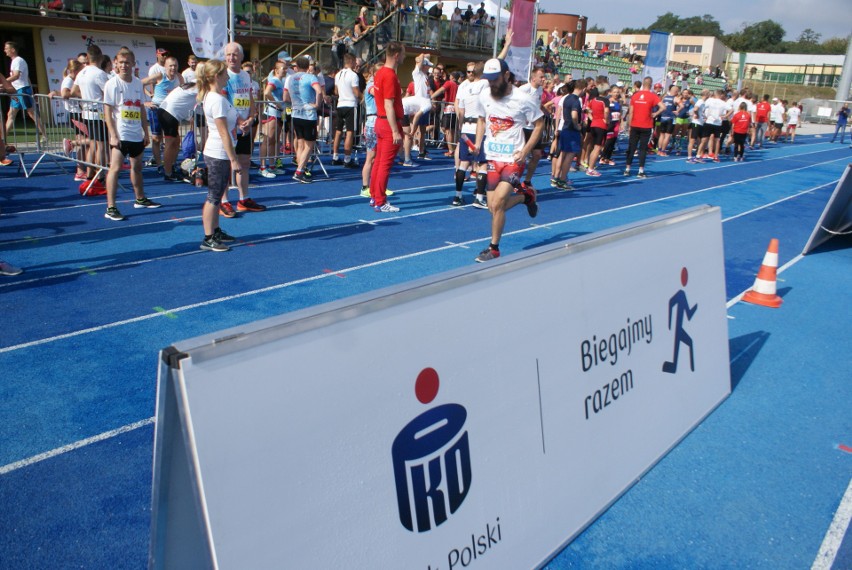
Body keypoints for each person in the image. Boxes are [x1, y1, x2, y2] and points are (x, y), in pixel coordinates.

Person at [473, 58, 543, 262]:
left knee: (500, 201)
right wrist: (478, 143)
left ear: (506, 75)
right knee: (492, 206)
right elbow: (481, 119)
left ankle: (494, 248)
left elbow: (539, 125)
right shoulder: (485, 94)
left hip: (514, 158)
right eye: (489, 80)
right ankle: (526, 197)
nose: (491, 84)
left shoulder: (522, 98)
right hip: (493, 157)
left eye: (495, 79)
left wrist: (526, 150)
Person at [101, 47, 162, 221]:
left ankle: (140, 198)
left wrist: (146, 131)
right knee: (115, 168)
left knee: (137, 168)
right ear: (115, 64)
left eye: (127, 62)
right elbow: (107, 111)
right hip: (121, 135)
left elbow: (141, 109)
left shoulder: (137, 83)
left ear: (133, 64)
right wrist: (113, 134)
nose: (124, 66)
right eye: (121, 62)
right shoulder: (112, 84)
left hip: (136, 134)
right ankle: (111, 207)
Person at [196, 59, 239, 252]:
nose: (228, 77)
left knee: (218, 193)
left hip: (219, 152)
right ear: (216, 76)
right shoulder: (216, 99)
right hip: (218, 153)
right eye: (225, 74)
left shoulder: (216, 97)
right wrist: (234, 159)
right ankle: (208, 237)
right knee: (214, 196)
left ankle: (215, 230)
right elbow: (223, 133)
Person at [221, 42, 265, 215]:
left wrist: (252, 117)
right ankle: (224, 200)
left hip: (245, 127)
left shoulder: (246, 77)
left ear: (241, 56)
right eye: (229, 55)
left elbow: (249, 98)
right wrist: (239, 120)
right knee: (226, 164)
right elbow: (224, 102)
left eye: (235, 54)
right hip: (230, 128)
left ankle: (243, 198)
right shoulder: (223, 75)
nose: (232, 58)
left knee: (244, 163)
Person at [370, 41, 406, 213]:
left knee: (378, 162)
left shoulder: (380, 73)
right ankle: (380, 200)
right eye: (403, 54)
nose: (405, 57)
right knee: (384, 163)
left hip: (380, 121)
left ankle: (375, 196)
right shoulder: (389, 75)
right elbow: (389, 104)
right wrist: (394, 130)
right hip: (387, 122)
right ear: (397, 55)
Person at [72, 43, 110, 194]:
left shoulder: (81, 73)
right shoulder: (99, 74)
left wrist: (86, 98)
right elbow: (109, 93)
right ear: (100, 57)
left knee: (93, 144)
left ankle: (89, 173)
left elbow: (74, 91)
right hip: (98, 113)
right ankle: (100, 176)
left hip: (87, 112)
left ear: (88, 57)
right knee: (100, 145)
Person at [453, 60, 488, 208]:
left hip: (466, 127)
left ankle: (458, 196)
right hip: (479, 127)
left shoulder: (465, 88)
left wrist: (461, 129)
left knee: (463, 164)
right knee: (483, 164)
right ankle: (479, 197)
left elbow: (460, 110)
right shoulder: (485, 85)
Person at [286, 55, 323, 184]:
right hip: (308, 114)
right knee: (309, 144)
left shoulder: (290, 78)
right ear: (308, 66)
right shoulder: (311, 77)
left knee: (301, 143)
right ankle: (299, 171)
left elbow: (286, 96)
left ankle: (300, 169)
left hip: (296, 113)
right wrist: (317, 105)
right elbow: (319, 91)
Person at [3, 42, 47, 145]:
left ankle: (45, 135)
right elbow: (25, 77)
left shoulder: (18, 60)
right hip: (17, 90)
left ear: (13, 50)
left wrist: (3, 82)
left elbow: (16, 76)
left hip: (22, 90)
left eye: (6, 48)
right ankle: (3, 139)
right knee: (11, 114)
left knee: (31, 113)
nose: (5, 50)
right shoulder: (15, 61)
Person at [147, 55, 184, 174]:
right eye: (170, 66)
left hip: (171, 111)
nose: (173, 68)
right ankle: (159, 165)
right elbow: (139, 83)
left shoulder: (179, 77)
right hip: (156, 109)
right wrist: (145, 102)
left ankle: (171, 163)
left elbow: (184, 91)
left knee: (175, 140)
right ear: (165, 67)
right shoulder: (160, 75)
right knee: (157, 139)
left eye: (175, 66)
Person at [158, 76, 199, 181]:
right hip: (169, 113)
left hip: (170, 113)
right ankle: (168, 173)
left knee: (176, 141)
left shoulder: (195, 83)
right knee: (170, 143)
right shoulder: (198, 85)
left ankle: (171, 167)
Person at [623, 77, 663, 178]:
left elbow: (631, 111)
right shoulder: (653, 96)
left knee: (632, 147)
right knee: (643, 149)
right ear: (651, 85)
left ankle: (627, 169)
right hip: (646, 125)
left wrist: (629, 125)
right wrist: (655, 113)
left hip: (635, 124)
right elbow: (663, 107)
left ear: (643, 84)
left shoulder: (635, 96)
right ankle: (640, 171)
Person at [331, 53, 362, 168]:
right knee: (350, 131)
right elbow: (356, 92)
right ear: (352, 61)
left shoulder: (338, 74)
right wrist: (364, 99)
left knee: (338, 131)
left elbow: (336, 92)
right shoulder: (353, 75)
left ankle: (335, 156)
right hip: (350, 105)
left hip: (340, 104)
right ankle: (347, 159)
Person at [259, 60, 287, 178]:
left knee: (274, 140)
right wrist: (277, 104)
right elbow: (267, 92)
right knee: (268, 140)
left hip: (279, 114)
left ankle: (271, 165)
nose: (286, 70)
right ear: (276, 70)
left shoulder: (280, 81)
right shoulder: (274, 80)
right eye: (283, 68)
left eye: (286, 68)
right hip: (272, 113)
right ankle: (263, 166)